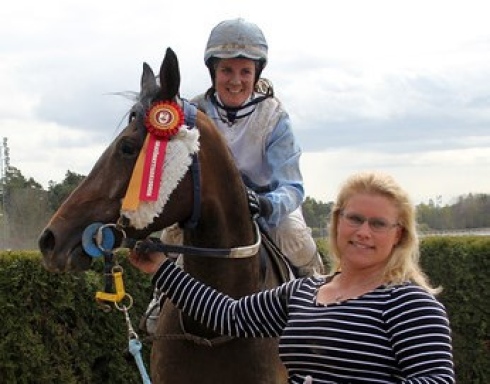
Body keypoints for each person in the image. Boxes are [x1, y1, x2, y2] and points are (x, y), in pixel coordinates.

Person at [130, 171, 455, 383]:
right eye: (354, 218)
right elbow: (229, 315)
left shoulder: (410, 302)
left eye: (379, 224)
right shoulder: (304, 291)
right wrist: (161, 268)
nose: (363, 232)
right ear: (338, 222)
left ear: (399, 235)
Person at [162, 17, 323, 277]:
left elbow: (292, 187)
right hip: (208, 211)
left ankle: (314, 303)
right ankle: (160, 304)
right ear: (214, 71)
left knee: (296, 238)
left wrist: (267, 204)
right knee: (171, 237)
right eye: (227, 70)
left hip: (265, 208)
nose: (235, 81)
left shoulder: (274, 117)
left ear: (256, 74)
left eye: (245, 72)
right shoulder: (195, 111)